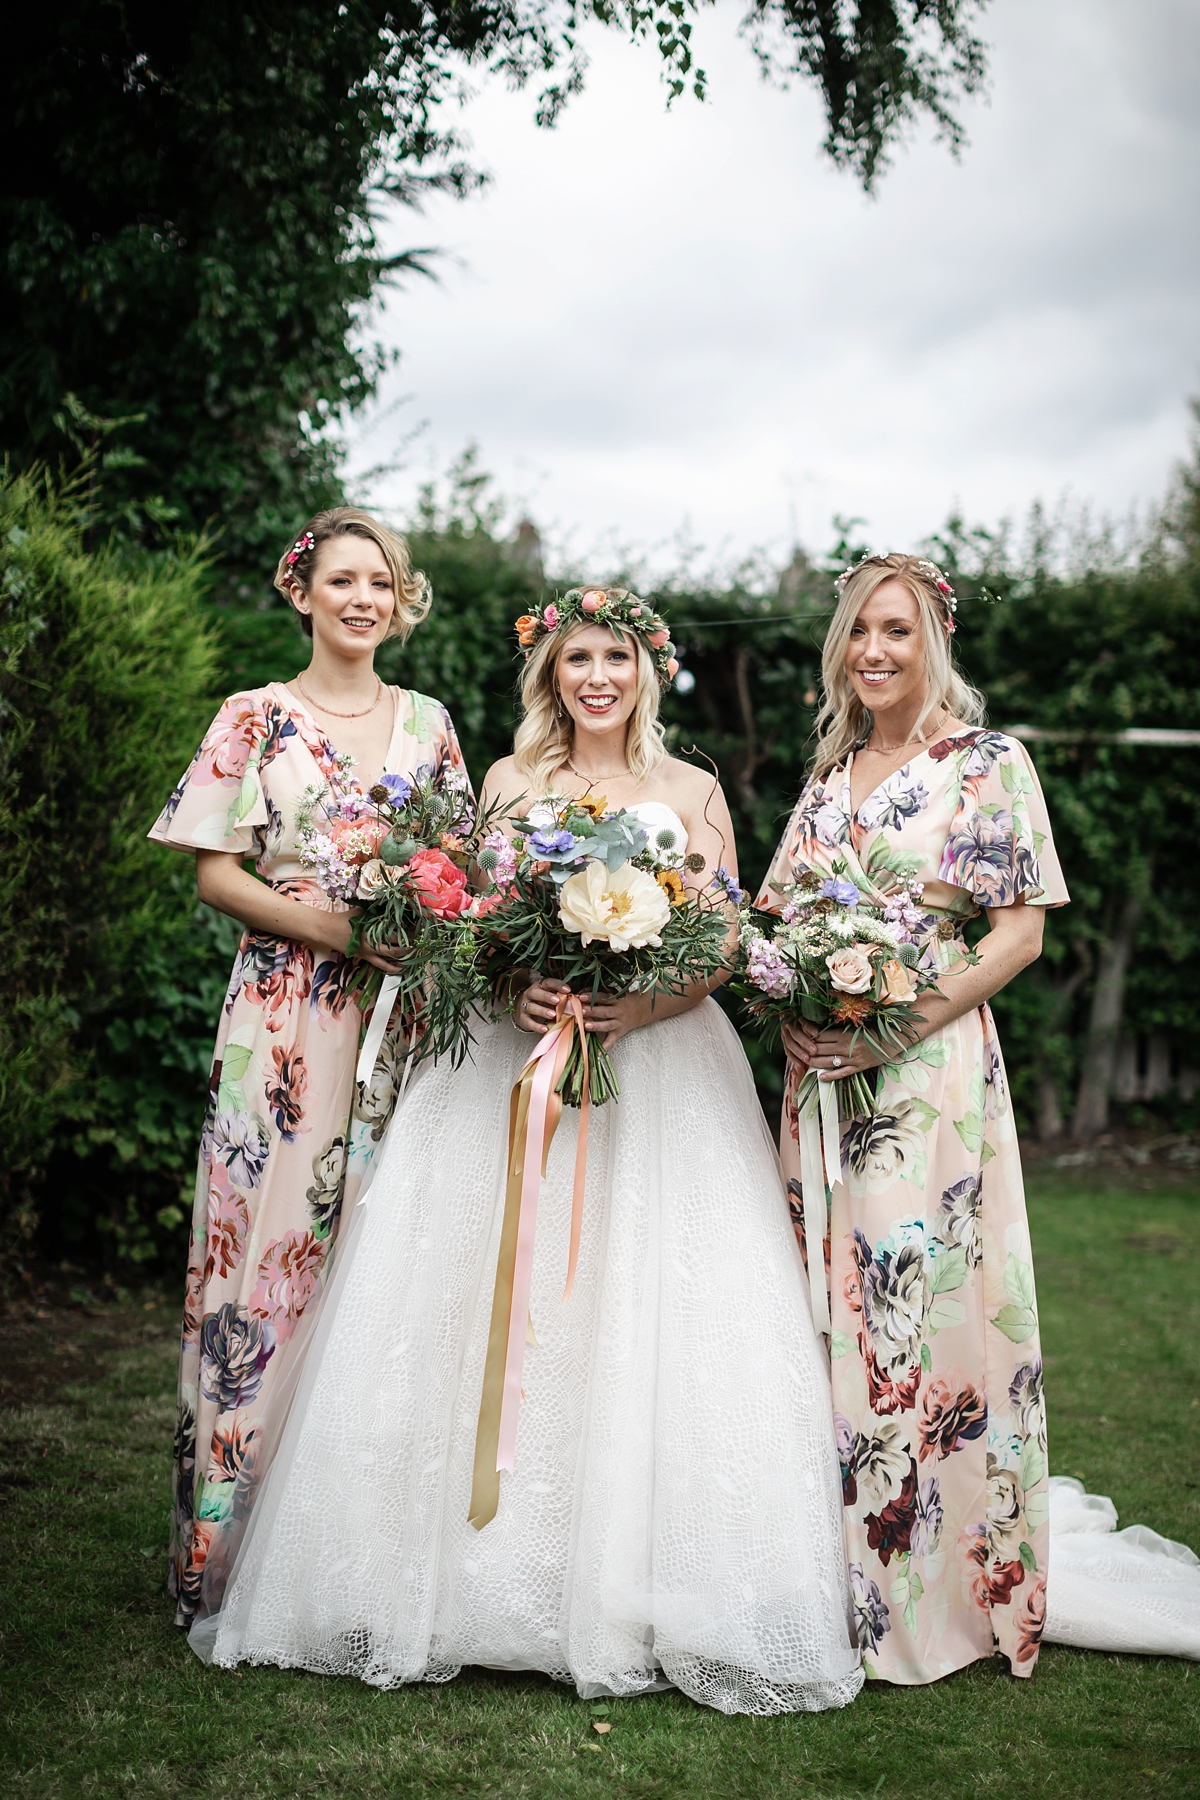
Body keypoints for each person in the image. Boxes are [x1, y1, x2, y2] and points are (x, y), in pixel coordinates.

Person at [189, 588, 864, 1717]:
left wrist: (637, 1013)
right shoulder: (504, 782)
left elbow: (727, 943)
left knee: (648, 1308)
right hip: (509, 1064)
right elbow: (473, 930)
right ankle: (470, 1585)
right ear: (549, 673)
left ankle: (642, 1585)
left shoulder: (693, 790)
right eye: (575, 658)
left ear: (649, 671)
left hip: (658, 1076)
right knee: (478, 1296)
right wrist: (524, 980)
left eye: (616, 657)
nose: (595, 676)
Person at [148, 508, 470, 1627]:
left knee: (383, 1263)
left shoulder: (430, 725)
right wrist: (333, 929)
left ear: (400, 598)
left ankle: (352, 1559)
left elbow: (462, 870)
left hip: (406, 1031)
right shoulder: (255, 718)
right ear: (303, 591)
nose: (363, 599)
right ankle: (227, 1557)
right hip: (286, 1025)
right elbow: (212, 871)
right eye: (342, 580)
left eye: (381, 582)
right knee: (269, 1259)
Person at [755, 551, 1070, 1684]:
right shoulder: (832, 769)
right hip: (820, 1075)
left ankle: (921, 1591)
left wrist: (894, 1026)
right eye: (857, 633)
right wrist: (790, 1005)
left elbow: (1018, 934)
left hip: (922, 1076)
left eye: (896, 631)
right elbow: (777, 917)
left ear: (933, 638)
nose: (874, 651)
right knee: (818, 1308)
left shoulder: (987, 764)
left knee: (906, 1314)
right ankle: (824, 1572)